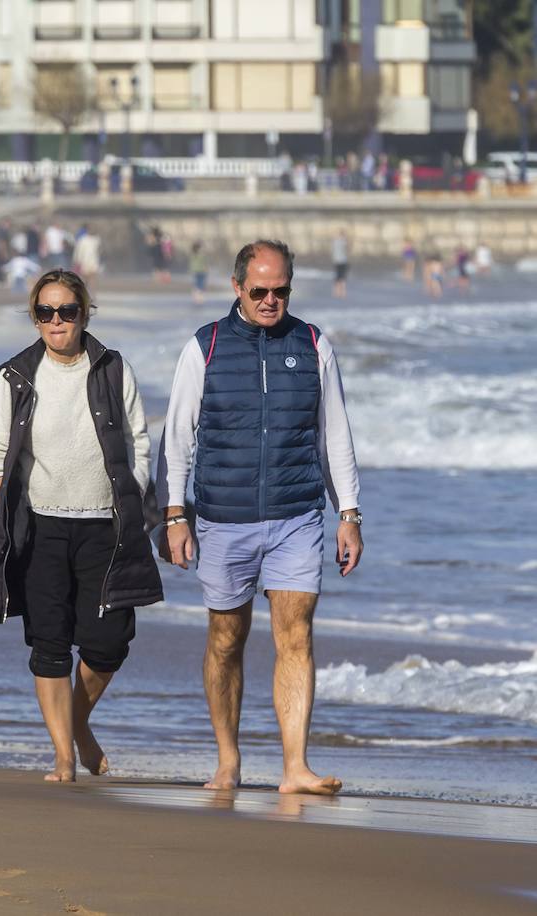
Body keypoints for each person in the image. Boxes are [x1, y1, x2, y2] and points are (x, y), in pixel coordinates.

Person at [155, 239, 362, 796]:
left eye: (281, 290)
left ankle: (295, 767)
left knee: (296, 636)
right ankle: (228, 759)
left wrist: (350, 512)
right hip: (223, 518)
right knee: (227, 637)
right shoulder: (206, 346)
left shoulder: (313, 343)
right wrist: (174, 516)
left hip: (297, 515)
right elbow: (176, 438)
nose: (271, 300)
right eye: (260, 291)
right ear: (237, 287)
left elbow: (334, 434)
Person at [0, 268, 163, 782]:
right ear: (35, 318)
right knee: (50, 643)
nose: (56, 321)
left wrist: (131, 491)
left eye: (67, 311)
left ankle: (77, 725)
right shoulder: (17, 376)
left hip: (106, 525)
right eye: (45, 312)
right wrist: (5, 498)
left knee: (108, 643)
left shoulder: (113, 370)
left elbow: (138, 442)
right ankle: (63, 755)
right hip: (39, 527)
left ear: (84, 314)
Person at [331, 229, 349, 298]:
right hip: (342, 261)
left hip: (337, 261)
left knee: (338, 277)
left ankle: (336, 292)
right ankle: (342, 292)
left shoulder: (335, 241)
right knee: (342, 277)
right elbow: (347, 248)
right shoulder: (343, 241)